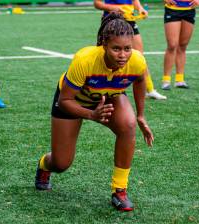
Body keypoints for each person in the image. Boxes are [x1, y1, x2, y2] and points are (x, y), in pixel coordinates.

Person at [35, 12, 154, 212]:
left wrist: (141, 114)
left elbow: (140, 80)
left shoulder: (137, 60)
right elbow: (65, 101)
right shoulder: (85, 59)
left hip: (109, 96)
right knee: (61, 163)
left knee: (128, 124)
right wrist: (91, 114)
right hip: (74, 101)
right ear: (104, 45)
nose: (123, 55)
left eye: (127, 48)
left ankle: (120, 190)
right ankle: (44, 165)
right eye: (116, 49)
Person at [94, 0, 167, 100]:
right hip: (112, 20)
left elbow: (134, 1)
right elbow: (97, 4)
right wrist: (113, 8)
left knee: (140, 57)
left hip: (129, 20)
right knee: (104, 56)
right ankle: (99, 89)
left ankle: (150, 90)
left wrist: (140, 8)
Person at [161, 0, 199, 90]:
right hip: (173, 9)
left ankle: (179, 80)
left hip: (190, 9)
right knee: (172, 45)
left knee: (183, 45)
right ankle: (166, 80)